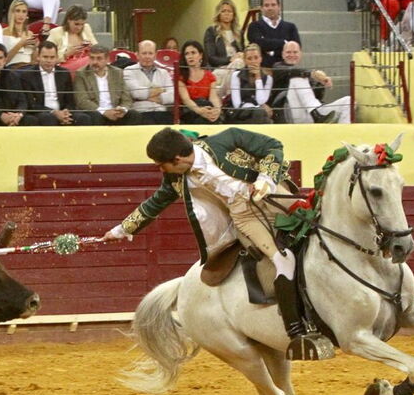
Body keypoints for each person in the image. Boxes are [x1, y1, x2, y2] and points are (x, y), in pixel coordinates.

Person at [103, 127, 333, 361]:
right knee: (282, 260)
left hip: (270, 196)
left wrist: (265, 178)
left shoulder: (228, 139)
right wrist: (121, 230)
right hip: (244, 216)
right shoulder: (175, 178)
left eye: (162, 165)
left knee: (321, 232)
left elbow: (273, 145)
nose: (162, 171)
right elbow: (154, 204)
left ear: (178, 159)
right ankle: (297, 333)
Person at [272, 41, 351, 123]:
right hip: (291, 113)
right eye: (288, 52)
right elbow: (293, 71)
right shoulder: (277, 67)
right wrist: (313, 74)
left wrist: (321, 82)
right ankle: (315, 114)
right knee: (296, 78)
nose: (292, 55)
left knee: (348, 101)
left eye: (295, 52)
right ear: (283, 54)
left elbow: (317, 97)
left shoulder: (305, 75)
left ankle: (344, 134)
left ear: (300, 54)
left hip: (312, 113)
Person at [19, 40, 87, 126]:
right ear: (38, 57)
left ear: (56, 58)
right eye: (45, 57)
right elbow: (31, 104)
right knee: (48, 118)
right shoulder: (28, 75)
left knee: (83, 118)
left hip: (62, 110)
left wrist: (66, 112)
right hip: (41, 112)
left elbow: (70, 101)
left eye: (52, 57)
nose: (49, 61)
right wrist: (54, 112)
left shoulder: (64, 73)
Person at [73, 44, 140, 125]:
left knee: (134, 115)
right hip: (96, 111)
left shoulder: (117, 73)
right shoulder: (81, 74)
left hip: (115, 111)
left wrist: (122, 109)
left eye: (99, 58)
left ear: (107, 59)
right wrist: (104, 112)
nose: (95, 62)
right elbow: (82, 101)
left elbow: (126, 98)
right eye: (92, 58)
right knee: (95, 116)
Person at [123, 40, 175, 125]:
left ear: (155, 55)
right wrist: (160, 90)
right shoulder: (129, 70)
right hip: (141, 113)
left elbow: (172, 96)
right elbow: (136, 93)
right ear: (137, 55)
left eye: (150, 53)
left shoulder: (164, 73)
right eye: (144, 53)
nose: (147, 56)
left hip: (161, 113)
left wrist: (145, 96)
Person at [245, 0, 301, 67]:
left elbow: (295, 50)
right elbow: (258, 44)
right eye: (266, 5)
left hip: (286, 70)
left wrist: (271, 51)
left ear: (279, 6)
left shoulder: (291, 27)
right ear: (261, 8)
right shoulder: (254, 26)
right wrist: (284, 42)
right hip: (262, 71)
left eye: (273, 5)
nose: (270, 8)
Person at [176, 40, 221, 125]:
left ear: (200, 55)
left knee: (214, 118)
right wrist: (200, 111)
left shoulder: (210, 76)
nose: (190, 56)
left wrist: (217, 110)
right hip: (190, 111)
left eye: (193, 53)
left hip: (206, 108)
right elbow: (186, 100)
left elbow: (213, 97)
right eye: (187, 54)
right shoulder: (181, 77)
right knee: (201, 120)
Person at [227, 44, 273, 125]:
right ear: (245, 61)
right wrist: (255, 107)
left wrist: (258, 77)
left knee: (261, 116)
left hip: (258, 115)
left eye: (256, 58)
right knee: (261, 115)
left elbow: (261, 100)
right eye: (249, 58)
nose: (253, 61)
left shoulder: (268, 79)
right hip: (240, 113)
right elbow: (237, 104)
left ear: (261, 59)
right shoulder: (236, 75)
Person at [46, 4, 97, 71]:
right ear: (68, 20)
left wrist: (91, 47)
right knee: (90, 60)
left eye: (82, 24)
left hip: (86, 66)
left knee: (98, 60)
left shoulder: (86, 28)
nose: (79, 27)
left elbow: (97, 49)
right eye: (76, 24)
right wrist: (67, 54)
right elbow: (47, 57)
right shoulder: (56, 32)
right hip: (65, 67)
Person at [203, 0, 244, 69]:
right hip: (220, 68)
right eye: (223, 11)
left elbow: (242, 51)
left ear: (234, 14)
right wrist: (230, 59)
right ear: (218, 14)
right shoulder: (211, 31)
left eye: (229, 11)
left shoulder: (239, 33)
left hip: (238, 66)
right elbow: (210, 58)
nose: (226, 14)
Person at [2, 0, 37, 66]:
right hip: (12, 68)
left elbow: (33, 61)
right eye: (18, 11)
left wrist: (36, 48)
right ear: (12, 13)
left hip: (29, 69)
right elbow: (4, 61)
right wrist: (21, 44)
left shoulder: (30, 34)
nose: (21, 15)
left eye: (24, 11)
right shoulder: (4, 32)